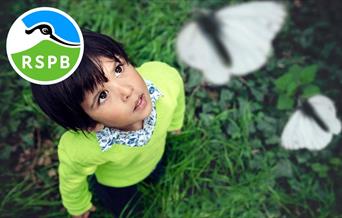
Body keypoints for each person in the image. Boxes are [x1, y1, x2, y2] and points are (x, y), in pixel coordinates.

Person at [31, 30, 185, 217]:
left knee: (158, 173)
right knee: (126, 210)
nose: (127, 90)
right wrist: (78, 205)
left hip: (155, 154)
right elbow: (72, 177)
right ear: (90, 124)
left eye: (118, 69)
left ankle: (153, 176)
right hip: (117, 182)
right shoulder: (82, 148)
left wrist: (174, 124)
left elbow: (177, 97)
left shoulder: (164, 79)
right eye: (102, 96)